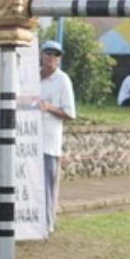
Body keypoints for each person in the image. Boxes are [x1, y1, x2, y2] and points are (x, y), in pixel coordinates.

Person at [38, 40, 76, 234]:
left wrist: (49, 108)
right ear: (41, 54)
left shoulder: (63, 80)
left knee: (47, 186)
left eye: (55, 54)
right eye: (48, 53)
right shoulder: (32, 76)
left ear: (59, 59)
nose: (51, 57)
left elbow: (70, 113)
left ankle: (47, 224)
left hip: (49, 142)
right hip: (29, 140)